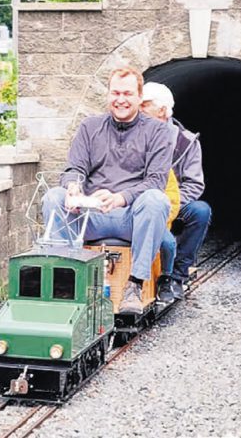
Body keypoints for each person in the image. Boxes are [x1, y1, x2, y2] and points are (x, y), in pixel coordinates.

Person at [42, 67, 174, 314]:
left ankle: (135, 285)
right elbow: (74, 167)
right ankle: (64, 281)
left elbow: (156, 180)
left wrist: (120, 198)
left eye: (127, 93)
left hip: (131, 217)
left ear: (138, 96)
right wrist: (73, 186)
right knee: (53, 197)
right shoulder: (89, 127)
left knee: (156, 200)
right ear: (108, 94)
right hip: (91, 214)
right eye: (115, 93)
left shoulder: (158, 131)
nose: (120, 100)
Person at [140, 82, 212, 300]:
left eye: (144, 105)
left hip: (174, 201)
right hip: (138, 199)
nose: (138, 109)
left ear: (161, 110)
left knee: (200, 211)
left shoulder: (186, 142)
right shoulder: (131, 134)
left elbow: (194, 184)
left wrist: (168, 205)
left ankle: (177, 276)